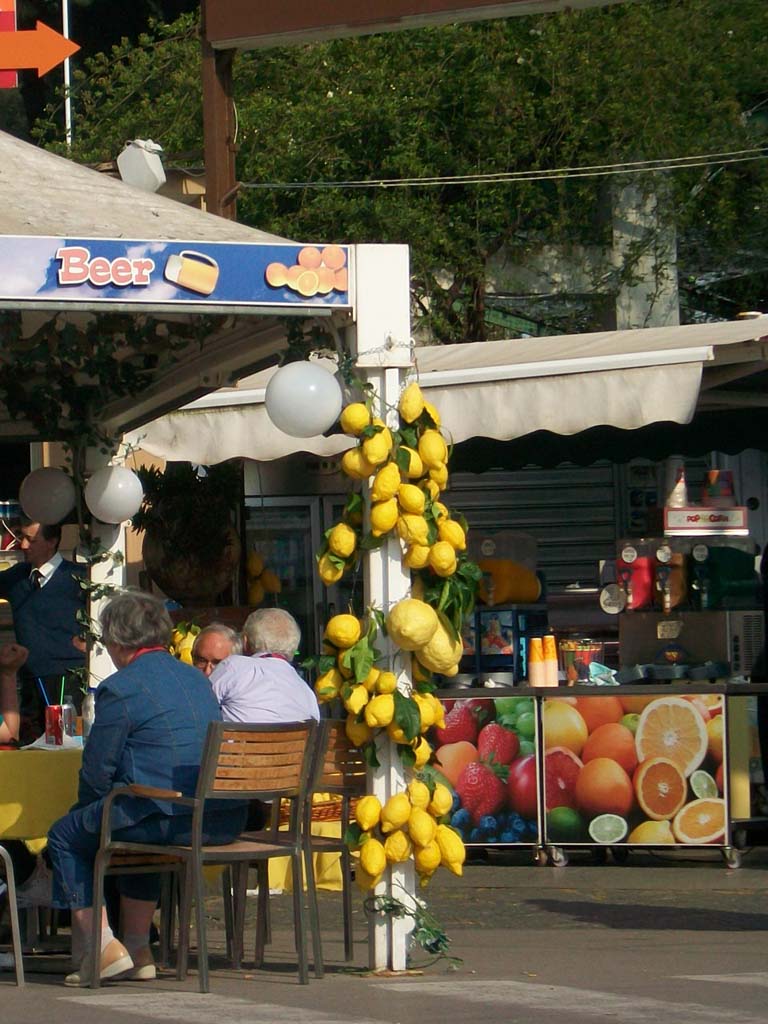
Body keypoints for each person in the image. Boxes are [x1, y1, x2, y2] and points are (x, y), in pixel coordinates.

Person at [45, 590, 247, 988]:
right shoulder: (197, 679)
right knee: (135, 821)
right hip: (220, 817)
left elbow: (97, 772)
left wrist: (85, 812)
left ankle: (103, 946)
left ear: (117, 641)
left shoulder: (122, 688)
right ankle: (138, 949)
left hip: (168, 818)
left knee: (67, 835)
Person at [0, 519, 86, 739]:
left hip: (67, 681)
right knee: (29, 745)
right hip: (29, 681)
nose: (23, 545)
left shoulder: (79, 578)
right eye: (22, 538)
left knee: (65, 744)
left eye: (32, 540)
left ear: (52, 541)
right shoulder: (16, 577)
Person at [209, 607, 320, 724]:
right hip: (296, 737)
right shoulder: (307, 693)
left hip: (239, 736)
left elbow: (199, 705)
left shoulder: (233, 666)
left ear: (245, 642)